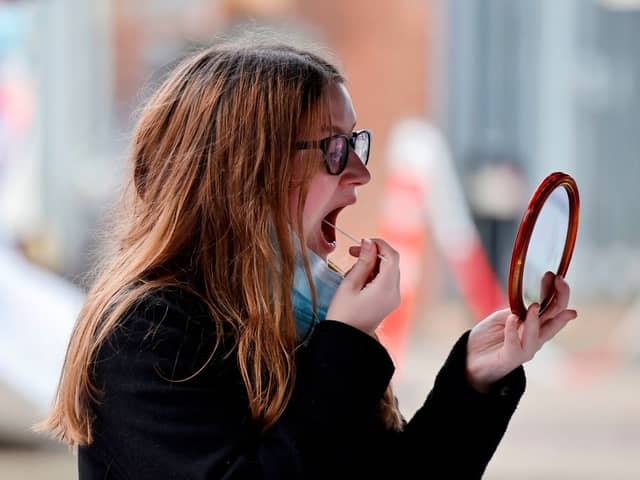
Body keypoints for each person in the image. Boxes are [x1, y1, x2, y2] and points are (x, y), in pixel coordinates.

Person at [37, 37, 578, 479]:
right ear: (247, 167)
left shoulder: (302, 310)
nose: (361, 174)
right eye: (333, 150)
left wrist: (474, 379)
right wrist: (345, 345)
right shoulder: (148, 329)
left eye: (355, 144)